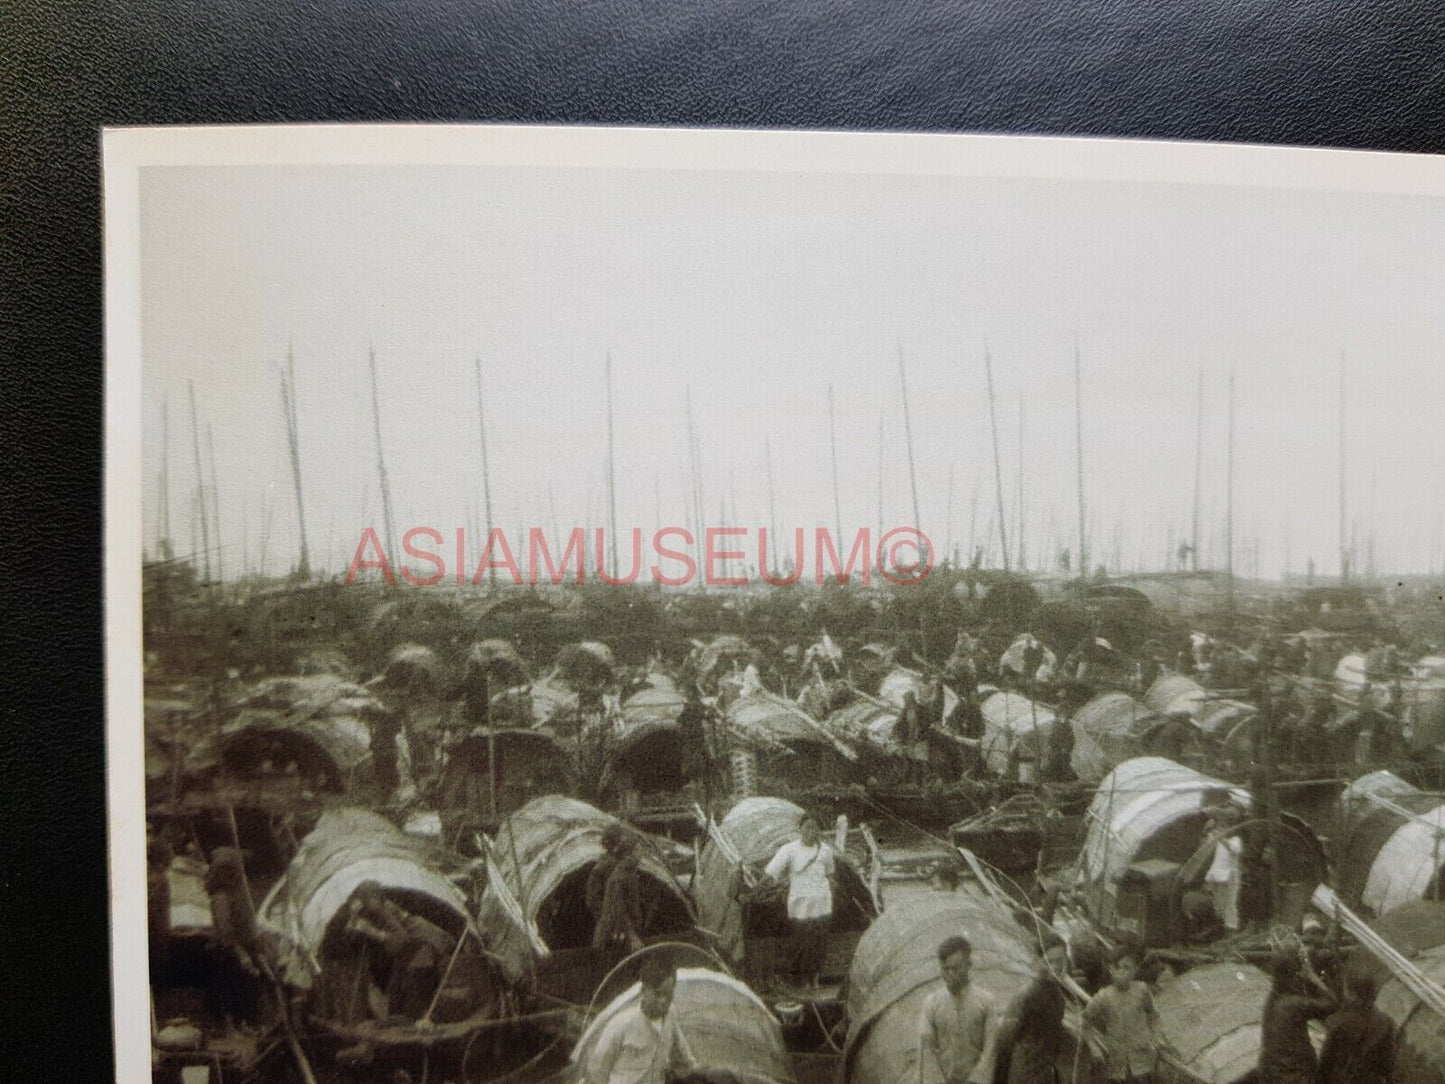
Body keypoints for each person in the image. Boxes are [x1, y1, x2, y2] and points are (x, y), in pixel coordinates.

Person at [580, 956, 697, 1084]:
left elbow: (684, 1059)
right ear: (643, 992)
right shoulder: (621, 1024)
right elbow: (597, 1072)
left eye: (668, 994)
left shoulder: (670, 1017)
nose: (663, 1001)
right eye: (657, 994)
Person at [764, 814, 836, 990]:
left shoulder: (825, 850)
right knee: (802, 942)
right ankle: (803, 980)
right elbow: (771, 872)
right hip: (800, 905)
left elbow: (830, 873)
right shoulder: (789, 849)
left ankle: (816, 979)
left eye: (815, 827)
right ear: (800, 829)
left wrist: (828, 893)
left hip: (821, 903)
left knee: (819, 942)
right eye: (808, 827)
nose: (812, 831)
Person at [918, 935, 997, 1084]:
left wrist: (977, 1079)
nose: (950, 974)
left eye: (956, 968)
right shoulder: (932, 1003)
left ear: (968, 965)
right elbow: (927, 1050)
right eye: (945, 969)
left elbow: (991, 1049)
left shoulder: (986, 1001)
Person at [992, 937, 1070, 1084]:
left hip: (1045, 1075)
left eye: (1061, 961)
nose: (1057, 967)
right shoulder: (1026, 995)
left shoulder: (1059, 997)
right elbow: (1004, 1044)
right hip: (1024, 1074)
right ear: (1038, 961)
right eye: (1050, 961)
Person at [1257, 949, 1336, 1084]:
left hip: (1271, 1072)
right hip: (1293, 1075)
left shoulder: (1272, 1000)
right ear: (1292, 976)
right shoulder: (1293, 1004)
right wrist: (1313, 977)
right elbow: (1332, 1004)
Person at [1082, 949, 1158, 1084]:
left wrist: (1153, 1036)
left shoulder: (1142, 989)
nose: (1121, 972)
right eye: (1117, 968)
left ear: (1135, 970)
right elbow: (1085, 1020)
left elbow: (1152, 1014)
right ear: (1110, 970)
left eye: (1127, 967)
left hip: (1142, 1056)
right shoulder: (1103, 996)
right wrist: (1093, 1046)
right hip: (1118, 1060)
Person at [1319, 969, 1394, 1084]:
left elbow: (1325, 1061)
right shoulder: (1386, 1022)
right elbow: (1387, 1064)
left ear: (1353, 994)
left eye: (1346, 990)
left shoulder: (1342, 1022)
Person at [589, 825, 644, 953]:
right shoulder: (619, 872)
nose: (640, 854)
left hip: (612, 929)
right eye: (636, 850)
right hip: (618, 933)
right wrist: (632, 936)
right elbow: (616, 905)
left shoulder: (611, 866)